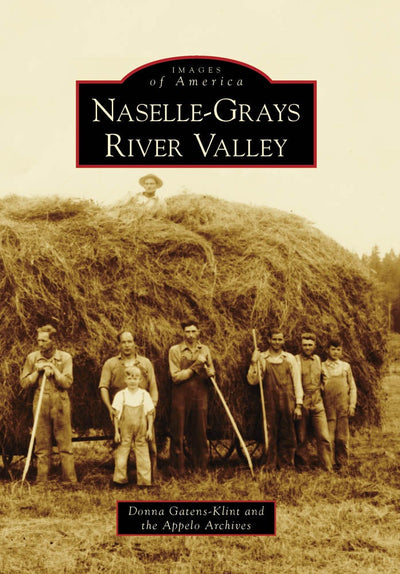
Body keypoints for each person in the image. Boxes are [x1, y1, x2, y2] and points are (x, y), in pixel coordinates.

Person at [20, 324, 77, 484]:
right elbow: (24, 383)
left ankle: (70, 480)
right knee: (42, 444)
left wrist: (54, 369)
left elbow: (66, 383)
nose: (40, 344)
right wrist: (37, 372)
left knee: (64, 443)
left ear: (53, 341)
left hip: (60, 401)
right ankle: (42, 480)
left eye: (44, 341)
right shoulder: (32, 358)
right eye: (39, 340)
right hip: (41, 400)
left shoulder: (65, 358)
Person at [99, 329, 159, 479]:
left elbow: (153, 385)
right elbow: (103, 387)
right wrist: (110, 408)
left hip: (142, 407)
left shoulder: (145, 363)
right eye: (123, 342)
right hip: (121, 409)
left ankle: (151, 476)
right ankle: (120, 478)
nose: (127, 345)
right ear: (119, 345)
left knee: (149, 444)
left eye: (130, 342)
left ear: (134, 343)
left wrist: (152, 407)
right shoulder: (111, 363)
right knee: (122, 445)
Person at [247, 328, 303, 469]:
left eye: (280, 339)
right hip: (269, 401)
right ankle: (270, 463)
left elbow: (297, 382)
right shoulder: (262, 358)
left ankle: (286, 464)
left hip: (287, 400)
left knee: (287, 432)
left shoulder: (289, 358)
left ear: (283, 340)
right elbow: (252, 381)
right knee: (270, 432)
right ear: (269, 340)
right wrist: (253, 362)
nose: (277, 342)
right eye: (274, 339)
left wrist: (298, 404)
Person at [168, 319, 215, 475]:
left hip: (200, 394)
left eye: (193, 331)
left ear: (199, 332)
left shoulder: (205, 350)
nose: (190, 335)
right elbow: (175, 377)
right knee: (178, 432)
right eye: (187, 331)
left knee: (200, 432)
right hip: (180, 395)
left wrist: (211, 373)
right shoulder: (175, 350)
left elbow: (211, 371)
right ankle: (177, 469)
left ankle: (200, 468)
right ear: (183, 333)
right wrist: (196, 366)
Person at [294, 332, 332, 471]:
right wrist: (298, 404)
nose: (307, 347)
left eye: (310, 345)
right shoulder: (296, 360)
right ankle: (303, 466)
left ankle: (327, 466)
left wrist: (322, 389)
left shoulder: (317, 359)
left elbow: (324, 378)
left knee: (323, 435)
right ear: (301, 345)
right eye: (305, 345)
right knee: (301, 436)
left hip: (317, 401)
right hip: (302, 400)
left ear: (315, 345)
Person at [112, 365, 155, 487]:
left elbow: (150, 414)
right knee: (122, 452)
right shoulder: (121, 395)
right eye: (130, 378)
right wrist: (116, 432)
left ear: (140, 380)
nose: (132, 381)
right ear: (125, 380)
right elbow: (116, 416)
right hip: (125, 429)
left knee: (143, 452)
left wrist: (149, 430)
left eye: (135, 378)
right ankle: (119, 479)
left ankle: (144, 481)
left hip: (141, 429)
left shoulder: (144, 395)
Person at [321, 338, 357, 469]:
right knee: (329, 436)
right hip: (328, 407)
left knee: (342, 437)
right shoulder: (322, 366)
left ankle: (342, 463)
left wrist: (352, 405)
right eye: (333, 349)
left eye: (338, 349)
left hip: (343, 406)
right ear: (327, 350)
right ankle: (330, 464)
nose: (335, 352)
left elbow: (352, 387)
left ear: (341, 351)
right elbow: (319, 387)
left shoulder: (345, 366)